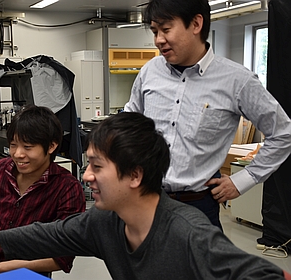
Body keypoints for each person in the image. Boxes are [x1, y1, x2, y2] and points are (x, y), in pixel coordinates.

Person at [0, 112, 291, 280]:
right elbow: (48, 234)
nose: (86, 176)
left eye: (96, 166)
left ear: (135, 175)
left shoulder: (189, 234)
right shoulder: (105, 222)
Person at [124, 0, 291, 228]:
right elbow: (129, 124)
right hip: (146, 199)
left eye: (165, 29)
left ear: (196, 23)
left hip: (199, 206)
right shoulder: (149, 72)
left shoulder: (237, 80)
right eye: (154, 32)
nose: (158, 40)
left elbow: (283, 133)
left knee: (198, 265)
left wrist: (242, 181)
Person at [0, 105, 85, 275]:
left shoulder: (67, 188)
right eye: (13, 145)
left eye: (28, 147)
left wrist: (10, 267)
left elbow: (63, 257)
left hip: (27, 273)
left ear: (51, 146)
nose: (17, 154)